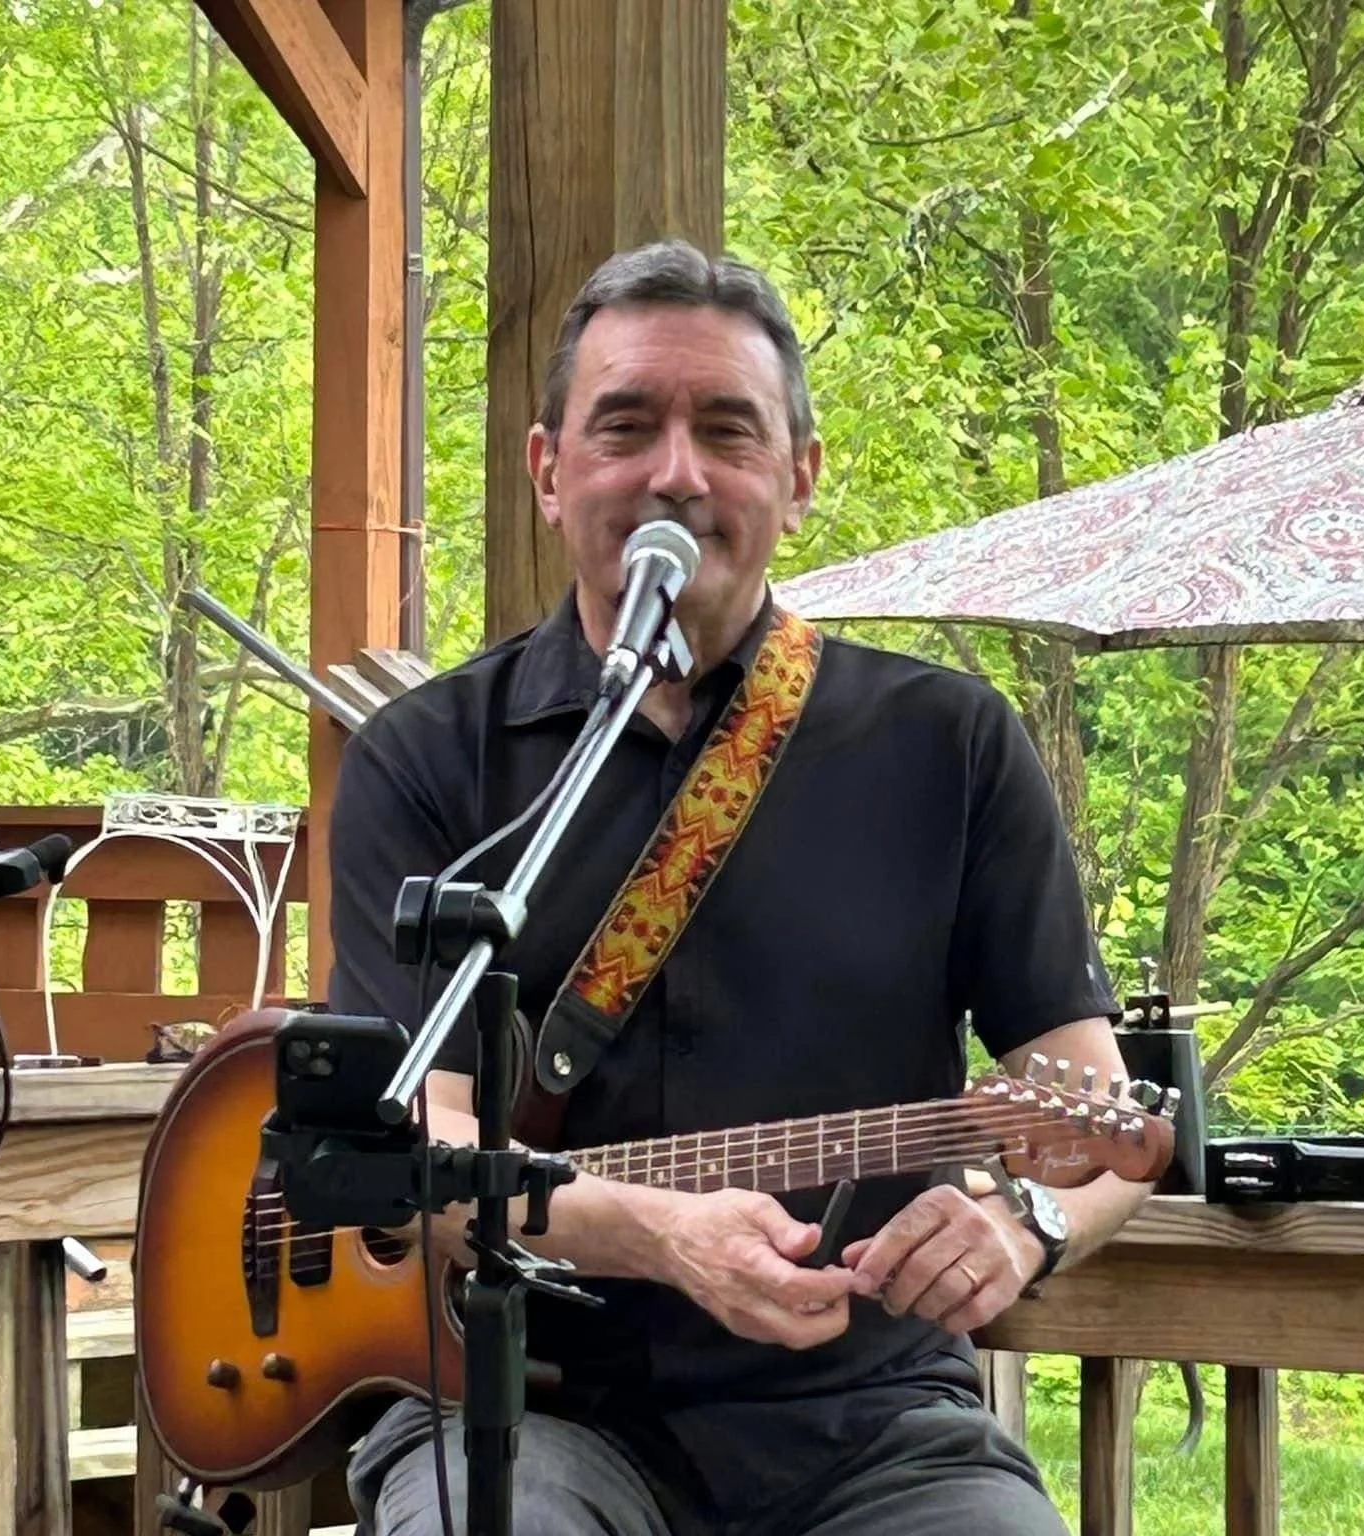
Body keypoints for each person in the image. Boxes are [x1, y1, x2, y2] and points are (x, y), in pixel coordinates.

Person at [326, 239, 1150, 1536]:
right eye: (626, 425)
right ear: (550, 471)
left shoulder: (948, 744)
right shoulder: (427, 760)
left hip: (872, 1425)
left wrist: (1026, 1220)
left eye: (727, 429)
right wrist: (655, 1234)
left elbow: (1103, 1110)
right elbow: (409, 1148)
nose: (676, 474)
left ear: (800, 476)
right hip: (523, 1407)